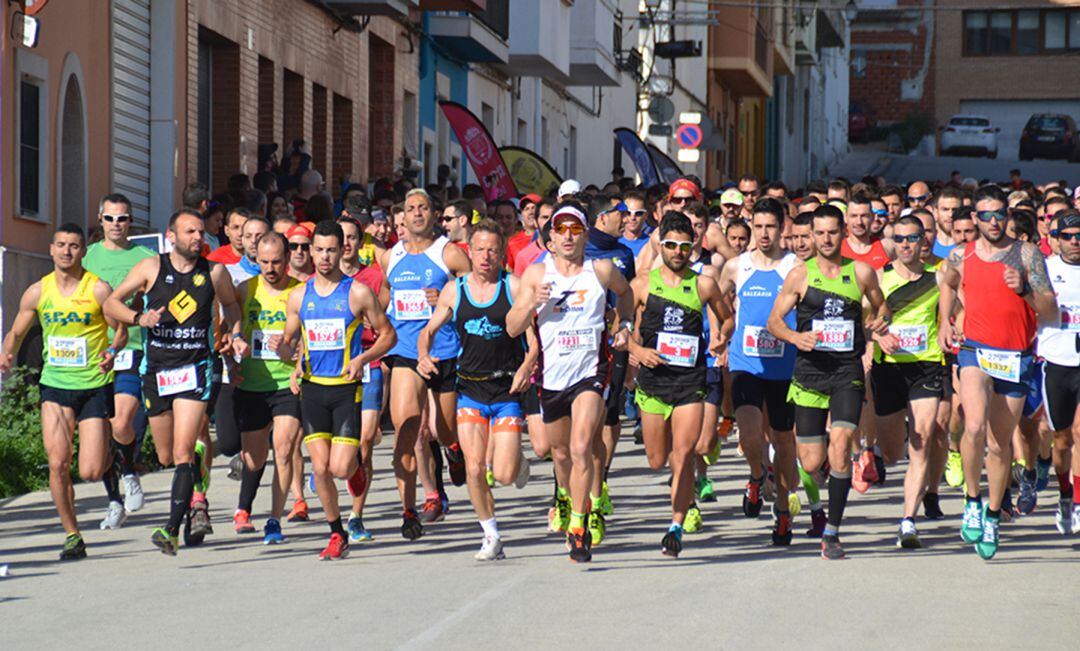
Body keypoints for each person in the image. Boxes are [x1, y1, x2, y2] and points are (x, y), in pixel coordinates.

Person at [104, 209, 245, 555]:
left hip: (195, 369)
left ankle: (171, 529)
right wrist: (140, 317)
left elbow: (231, 306)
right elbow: (111, 302)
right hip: (157, 372)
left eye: (201, 232)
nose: (198, 238)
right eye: (190, 232)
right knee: (167, 454)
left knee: (182, 452)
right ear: (172, 236)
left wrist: (233, 333)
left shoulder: (214, 272)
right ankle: (196, 462)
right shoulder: (152, 267)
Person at [507, 201, 633, 563]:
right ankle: (564, 495)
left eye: (575, 229)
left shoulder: (601, 270)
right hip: (551, 376)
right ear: (550, 237)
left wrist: (623, 326)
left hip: (591, 373)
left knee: (580, 448)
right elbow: (512, 326)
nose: (567, 236)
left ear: (585, 234)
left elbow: (627, 295)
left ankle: (579, 525)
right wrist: (532, 301)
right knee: (558, 452)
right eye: (560, 229)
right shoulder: (535, 274)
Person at [767, 204, 895, 560]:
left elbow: (882, 307)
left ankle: (833, 532)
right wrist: (795, 339)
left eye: (831, 232)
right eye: (818, 233)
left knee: (840, 444)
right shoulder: (799, 275)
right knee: (810, 462)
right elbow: (774, 321)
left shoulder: (862, 272)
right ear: (811, 236)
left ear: (843, 234)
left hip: (846, 372)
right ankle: (826, 467)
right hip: (809, 373)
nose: (825, 239)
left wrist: (881, 321)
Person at [939, 185, 1058, 559]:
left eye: (999, 215)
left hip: (1015, 356)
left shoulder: (1027, 255)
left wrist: (1024, 290)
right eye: (985, 215)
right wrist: (945, 319)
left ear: (1007, 215)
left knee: (998, 443)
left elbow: (1051, 312)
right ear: (974, 218)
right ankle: (972, 501)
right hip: (975, 350)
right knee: (973, 425)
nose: (993, 222)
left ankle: (992, 513)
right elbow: (948, 281)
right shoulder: (962, 253)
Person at [0, 223, 126, 560]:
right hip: (55, 386)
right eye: (60, 245)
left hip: (93, 387)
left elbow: (120, 333)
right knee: (57, 464)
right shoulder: (37, 292)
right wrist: (6, 352)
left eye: (73, 245)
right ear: (51, 249)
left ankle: (113, 460)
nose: (66, 251)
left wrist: (111, 354)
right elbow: (16, 330)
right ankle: (72, 535)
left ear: (83, 251)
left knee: (89, 471)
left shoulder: (98, 289)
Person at [417, 220, 537, 560]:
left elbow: (532, 342)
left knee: (503, 473)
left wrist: (528, 367)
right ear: (469, 251)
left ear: (502, 254)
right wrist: (424, 354)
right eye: (480, 249)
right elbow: (428, 330)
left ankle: (516, 462)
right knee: (473, 468)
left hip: (505, 390)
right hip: (470, 388)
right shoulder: (455, 290)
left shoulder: (512, 287)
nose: (486, 256)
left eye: (493, 250)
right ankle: (491, 534)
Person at [278, 220, 397, 559]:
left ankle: (357, 468)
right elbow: (289, 342)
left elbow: (389, 336)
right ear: (311, 252)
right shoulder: (299, 296)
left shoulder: (357, 292)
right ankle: (336, 532)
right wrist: (285, 351)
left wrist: (363, 358)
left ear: (344, 249)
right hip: (313, 389)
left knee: (342, 468)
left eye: (332, 249)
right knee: (320, 468)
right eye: (320, 250)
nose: (325, 256)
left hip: (347, 389)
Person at [629, 212, 730, 557]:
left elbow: (727, 315)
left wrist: (721, 335)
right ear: (660, 245)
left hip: (690, 379)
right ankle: (677, 494)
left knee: (685, 453)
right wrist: (638, 350)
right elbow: (619, 327)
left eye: (684, 246)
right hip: (654, 382)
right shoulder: (642, 283)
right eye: (670, 245)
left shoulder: (703, 284)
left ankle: (675, 525)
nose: (677, 251)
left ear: (693, 247)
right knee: (659, 459)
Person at [377, 189, 471, 540]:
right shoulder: (391, 257)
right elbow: (386, 298)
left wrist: (448, 294)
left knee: (444, 431)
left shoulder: (448, 254)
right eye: (411, 208)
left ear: (433, 215)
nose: (417, 214)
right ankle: (408, 511)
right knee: (408, 429)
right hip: (405, 352)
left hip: (444, 350)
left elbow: (478, 293)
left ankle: (454, 450)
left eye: (423, 208)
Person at [720, 198, 804, 544]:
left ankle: (783, 512)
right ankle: (756, 475)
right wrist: (721, 329)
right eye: (758, 227)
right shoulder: (736, 266)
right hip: (746, 363)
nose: (764, 233)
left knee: (784, 443)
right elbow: (713, 297)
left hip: (785, 368)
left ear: (782, 226)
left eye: (771, 226)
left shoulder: (795, 267)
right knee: (750, 435)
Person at [869, 216, 946, 548]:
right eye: (898, 239)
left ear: (922, 242)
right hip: (888, 369)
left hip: (926, 365)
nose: (905, 245)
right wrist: (877, 335)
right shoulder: (877, 278)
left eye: (911, 238)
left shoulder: (939, 278)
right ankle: (877, 453)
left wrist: (952, 327)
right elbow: (862, 320)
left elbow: (961, 309)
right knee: (891, 453)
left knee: (922, 437)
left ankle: (908, 521)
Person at [82, 194, 156, 528]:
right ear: (100, 220)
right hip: (94, 353)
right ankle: (114, 500)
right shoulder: (88, 256)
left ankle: (129, 471)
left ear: (131, 221)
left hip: (133, 349)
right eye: (110, 219)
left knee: (121, 422)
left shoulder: (146, 256)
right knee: (98, 435)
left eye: (122, 219)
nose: (116, 225)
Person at [230, 233, 303, 544]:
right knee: (254, 457)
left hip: (287, 383)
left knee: (284, 450)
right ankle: (243, 508)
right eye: (264, 262)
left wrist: (297, 358)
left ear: (287, 259)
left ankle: (274, 518)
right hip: (253, 383)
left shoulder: (301, 292)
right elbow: (228, 329)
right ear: (255, 259)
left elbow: (313, 336)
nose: (271, 268)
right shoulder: (245, 290)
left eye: (276, 262)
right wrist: (233, 353)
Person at [337, 216, 390, 543]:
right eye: (341, 238)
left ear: (361, 242)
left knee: (366, 440)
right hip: (332, 369)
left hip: (368, 362)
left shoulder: (373, 278)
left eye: (353, 237)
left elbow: (383, 324)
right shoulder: (320, 280)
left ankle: (356, 516)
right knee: (340, 447)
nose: (346, 244)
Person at [1039, 211, 1080, 534]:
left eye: (1079, 236)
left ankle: (1079, 502)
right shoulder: (1046, 270)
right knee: (1062, 441)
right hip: (1056, 361)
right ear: (1057, 240)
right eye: (1068, 236)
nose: (1075, 242)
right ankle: (1065, 493)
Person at [842, 195, 891, 268]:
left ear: (873, 217)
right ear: (845, 218)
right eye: (854, 216)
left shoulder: (887, 247)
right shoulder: (837, 249)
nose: (859, 222)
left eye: (864, 216)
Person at [619, 190, 652, 256]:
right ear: (622, 214)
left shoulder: (651, 245)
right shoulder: (613, 243)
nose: (632, 217)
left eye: (638, 213)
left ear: (645, 215)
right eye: (628, 213)